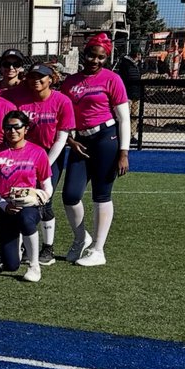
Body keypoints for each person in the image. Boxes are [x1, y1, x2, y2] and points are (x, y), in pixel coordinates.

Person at [60, 32, 131, 267]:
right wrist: (70, 141)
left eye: (101, 57)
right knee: (70, 195)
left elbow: (124, 118)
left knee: (102, 194)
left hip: (105, 138)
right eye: (92, 55)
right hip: (80, 141)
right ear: (85, 54)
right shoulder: (70, 82)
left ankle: (98, 250)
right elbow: (64, 117)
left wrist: (123, 152)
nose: (95, 60)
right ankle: (81, 238)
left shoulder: (112, 79)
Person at [0, 111, 53, 282]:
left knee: (26, 220)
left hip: (28, 206)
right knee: (11, 265)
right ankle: (15, 247)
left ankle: (34, 265)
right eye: (8, 128)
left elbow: (46, 185)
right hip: (5, 207)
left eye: (17, 127)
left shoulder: (38, 152)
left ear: (26, 129)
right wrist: (4, 205)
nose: (12, 131)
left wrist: (41, 197)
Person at [16, 63, 74, 266]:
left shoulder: (62, 101)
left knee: (44, 200)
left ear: (51, 79)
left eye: (41, 76)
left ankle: (48, 248)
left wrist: (44, 165)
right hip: (22, 158)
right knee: (22, 200)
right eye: (32, 76)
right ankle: (25, 246)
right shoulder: (21, 101)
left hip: (50, 158)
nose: (36, 80)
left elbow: (61, 138)